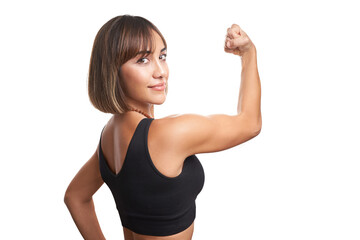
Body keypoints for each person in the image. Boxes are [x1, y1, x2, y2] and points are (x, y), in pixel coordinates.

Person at [64, 14, 262, 240]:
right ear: (113, 70)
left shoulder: (110, 134)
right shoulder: (170, 133)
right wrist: (248, 53)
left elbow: (75, 196)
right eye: (142, 60)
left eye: (162, 56)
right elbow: (250, 123)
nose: (161, 71)